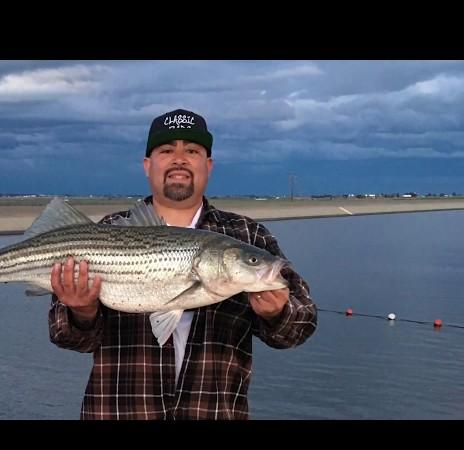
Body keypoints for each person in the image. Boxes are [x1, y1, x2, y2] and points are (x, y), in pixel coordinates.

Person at [48, 108, 317, 420]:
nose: (179, 159)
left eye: (192, 150)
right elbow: (66, 336)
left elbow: (301, 326)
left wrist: (278, 313)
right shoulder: (109, 230)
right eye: (166, 150)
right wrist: (81, 311)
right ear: (147, 165)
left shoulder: (248, 235)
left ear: (208, 165)